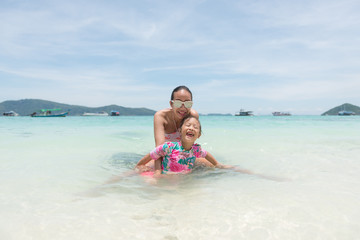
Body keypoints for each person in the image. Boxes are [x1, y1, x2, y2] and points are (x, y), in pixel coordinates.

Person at [135, 85, 213, 173]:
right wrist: (158, 172)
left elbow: (190, 144)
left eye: (187, 103)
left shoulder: (193, 116)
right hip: (165, 156)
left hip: (184, 156)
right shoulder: (161, 116)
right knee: (139, 171)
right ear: (171, 104)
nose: (183, 108)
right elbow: (159, 150)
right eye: (178, 103)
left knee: (212, 167)